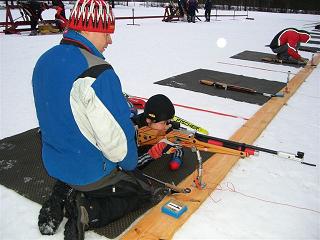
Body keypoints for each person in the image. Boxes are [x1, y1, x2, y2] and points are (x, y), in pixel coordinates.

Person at [32, 0, 161, 239]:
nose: (110, 41)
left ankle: (59, 195)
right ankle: (86, 211)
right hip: (88, 172)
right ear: (93, 28)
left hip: (55, 162)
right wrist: (131, 160)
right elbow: (121, 150)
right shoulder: (98, 72)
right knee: (142, 191)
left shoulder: (44, 60)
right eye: (108, 33)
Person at [130, 94, 184, 171]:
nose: (166, 126)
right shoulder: (131, 131)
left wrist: (177, 158)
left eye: (167, 121)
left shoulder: (163, 126)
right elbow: (127, 166)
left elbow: (177, 142)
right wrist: (151, 154)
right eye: (163, 123)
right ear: (149, 120)